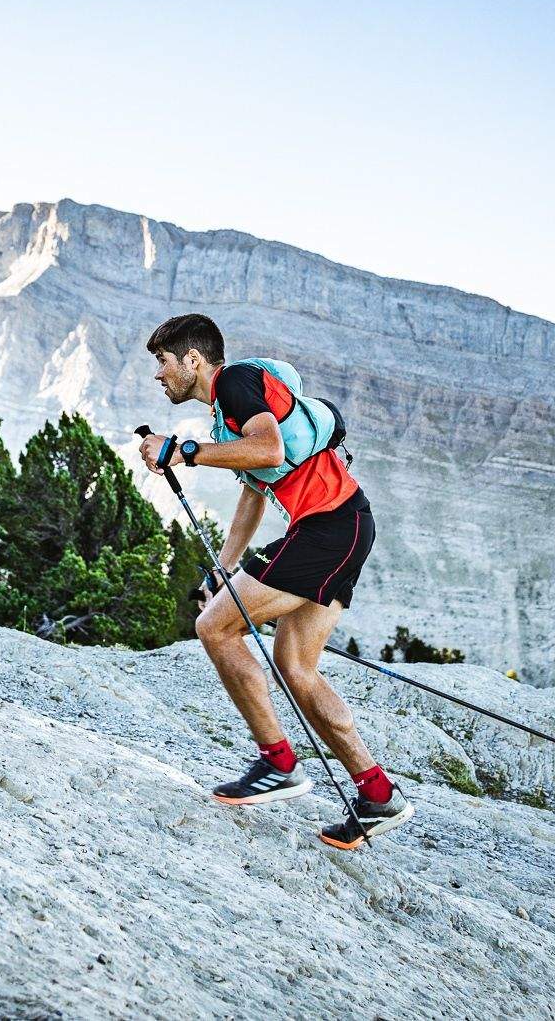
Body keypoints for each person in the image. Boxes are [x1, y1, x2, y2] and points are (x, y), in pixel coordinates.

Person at [138, 312, 412, 850]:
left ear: (192, 360)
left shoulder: (235, 382)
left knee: (215, 628)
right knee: (295, 667)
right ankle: (377, 792)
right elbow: (254, 489)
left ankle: (278, 762)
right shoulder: (226, 412)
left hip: (329, 529)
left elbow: (269, 451)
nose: (159, 375)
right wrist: (223, 567)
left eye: (163, 362)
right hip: (345, 523)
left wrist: (180, 451)